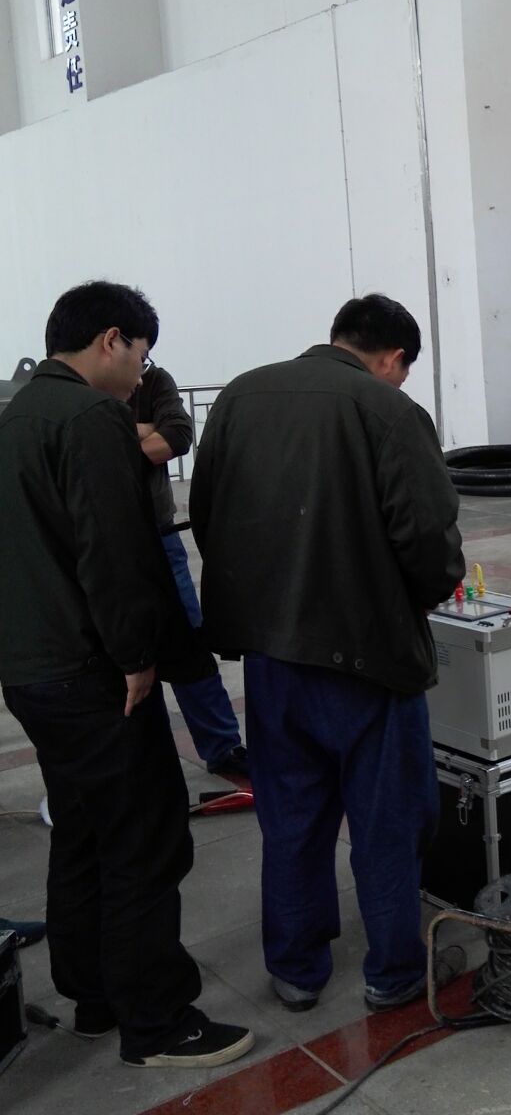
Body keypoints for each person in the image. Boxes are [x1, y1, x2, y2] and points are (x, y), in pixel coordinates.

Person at [0, 281, 253, 1068]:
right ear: (111, 339)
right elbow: (113, 554)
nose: (142, 372)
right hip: (92, 671)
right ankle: (159, 1023)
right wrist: (138, 657)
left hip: (32, 671)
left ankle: (94, 997)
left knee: (82, 829)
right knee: (144, 837)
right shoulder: (90, 419)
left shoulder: (16, 416)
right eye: (140, 354)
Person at [190, 294, 465, 1014]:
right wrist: (421, 595)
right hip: (368, 661)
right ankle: (393, 971)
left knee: (291, 817)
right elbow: (428, 540)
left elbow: (208, 516)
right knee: (387, 820)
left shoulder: (240, 398)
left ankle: (296, 968)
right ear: (393, 358)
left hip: (272, 658)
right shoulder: (389, 410)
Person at [130, 363, 248, 778]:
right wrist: (143, 431)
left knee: (189, 643)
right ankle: (133, 757)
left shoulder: (154, 380)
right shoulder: (78, 395)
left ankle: (222, 745)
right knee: (115, 652)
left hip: (160, 537)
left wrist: (112, 443)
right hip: (101, 542)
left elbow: (177, 437)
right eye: (136, 354)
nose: (140, 372)